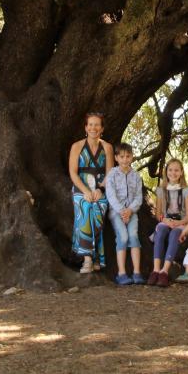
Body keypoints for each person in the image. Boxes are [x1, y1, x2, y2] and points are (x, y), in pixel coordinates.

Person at [68, 112, 113, 273]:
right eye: (90, 125)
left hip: (100, 189)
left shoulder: (107, 148)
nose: (93, 128)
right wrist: (86, 191)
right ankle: (88, 260)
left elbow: (110, 173)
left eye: (97, 125)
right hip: (81, 188)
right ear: (86, 127)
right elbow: (73, 173)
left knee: (97, 211)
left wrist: (101, 190)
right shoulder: (77, 147)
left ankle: (95, 258)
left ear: (102, 128)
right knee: (85, 207)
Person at [147, 158, 188, 288]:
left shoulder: (186, 191)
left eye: (177, 170)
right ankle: (156, 269)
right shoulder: (161, 190)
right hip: (166, 221)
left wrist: (178, 223)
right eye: (170, 170)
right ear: (166, 171)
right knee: (160, 230)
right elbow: (158, 214)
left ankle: (164, 271)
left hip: (181, 222)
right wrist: (165, 220)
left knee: (175, 235)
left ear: (181, 172)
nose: (173, 173)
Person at [104, 142, 145, 285]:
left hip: (132, 212)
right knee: (123, 236)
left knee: (133, 236)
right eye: (122, 156)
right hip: (116, 212)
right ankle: (121, 273)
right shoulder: (112, 175)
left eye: (128, 156)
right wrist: (122, 211)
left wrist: (130, 210)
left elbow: (139, 197)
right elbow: (111, 195)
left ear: (132, 157)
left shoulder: (136, 176)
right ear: (116, 158)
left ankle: (137, 272)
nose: (125, 159)